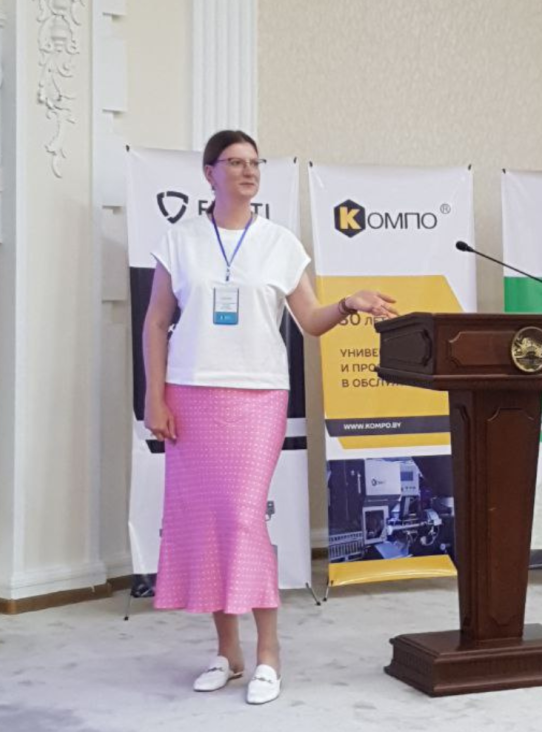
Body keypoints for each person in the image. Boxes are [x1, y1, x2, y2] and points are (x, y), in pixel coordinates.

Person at [142, 129, 397, 705]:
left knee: (241, 517)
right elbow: (156, 322)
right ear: (209, 173)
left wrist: (348, 304)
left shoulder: (280, 243)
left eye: (254, 162)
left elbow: (310, 320)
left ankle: (268, 652)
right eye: (234, 162)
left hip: (257, 395)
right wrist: (155, 398)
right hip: (190, 393)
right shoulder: (180, 241)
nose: (248, 170)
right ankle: (227, 652)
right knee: (208, 521)